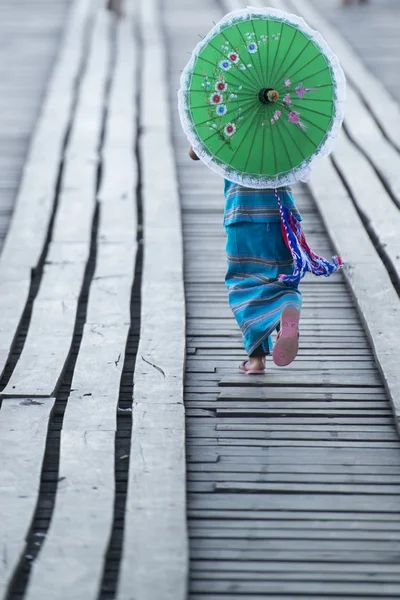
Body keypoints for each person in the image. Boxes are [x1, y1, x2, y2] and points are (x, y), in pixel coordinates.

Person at [189, 146, 342, 374]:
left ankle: (257, 360)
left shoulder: (228, 127)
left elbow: (195, 151)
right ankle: (288, 305)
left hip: (242, 216)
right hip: (281, 216)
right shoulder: (283, 128)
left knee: (244, 283)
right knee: (282, 276)